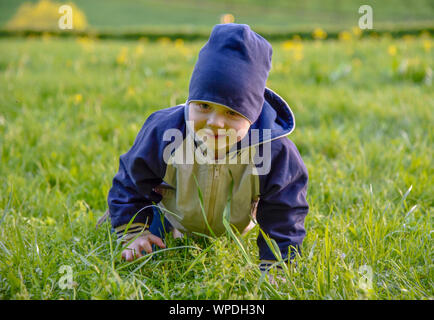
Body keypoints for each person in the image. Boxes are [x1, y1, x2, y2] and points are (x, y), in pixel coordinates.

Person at [105, 23, 309, 274]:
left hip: (236, 221)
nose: (215, 122)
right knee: (144, 241)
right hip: (172, 211)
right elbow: (131, 180)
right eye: (203, 106)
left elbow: (285, 211)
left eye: (232, 113)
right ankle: (142, 224)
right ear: (191, 99)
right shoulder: (165, 133)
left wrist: (277, 263)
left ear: (253, 116)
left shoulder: (274, 151)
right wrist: (133, 231)